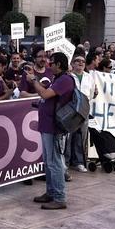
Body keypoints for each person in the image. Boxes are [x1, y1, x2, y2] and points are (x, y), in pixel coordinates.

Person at [27, 52, 74, 210]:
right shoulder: (58, 79)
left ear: (59, 64)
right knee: (48, 162)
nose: (49, 65)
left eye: (51, 62)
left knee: (54, 163)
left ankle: (59, 197)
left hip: (55, 128)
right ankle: (51, 192)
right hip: (47, 125)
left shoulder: (65, 80)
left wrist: (33, 80)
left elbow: (45, 94)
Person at [64, 55, 95, 174]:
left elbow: (91, 94)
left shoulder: (89, 77)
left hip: (84, 110)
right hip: (70, 110)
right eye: (77, 61)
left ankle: (79, 162)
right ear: (73, 63)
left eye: (83, 61)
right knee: (68, 136)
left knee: (81, 136)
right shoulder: (68, 76)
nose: (80, 63)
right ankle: (66, 162)